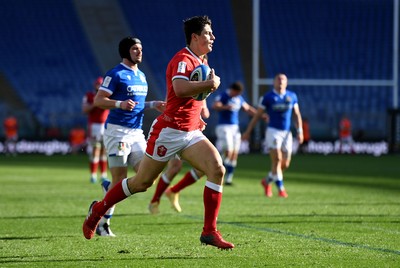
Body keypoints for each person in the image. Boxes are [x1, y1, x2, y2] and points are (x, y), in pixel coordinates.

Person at [82, 15, 234, 249]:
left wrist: (199, 112)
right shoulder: (183, 59)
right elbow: (180, 88)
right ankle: (98, 212)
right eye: (208, 33)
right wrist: (209, 85)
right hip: (169, 132)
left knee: (217, 169)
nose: (213, 37)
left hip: (191, 132)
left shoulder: (202, 61)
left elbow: (193, 98)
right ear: (195, 37)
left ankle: (209, 232)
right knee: (142, 182)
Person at [89, 36, 166, 237]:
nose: (139, 52)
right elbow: (99, 100)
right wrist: (118, 104)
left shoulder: (141, 75)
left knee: (147, 178)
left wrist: (152, 105)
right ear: (126, 51)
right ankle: (103, 223)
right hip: (117, 133)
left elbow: (136, 103)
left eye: (140, 48)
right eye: (135, 49)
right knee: (120, 179)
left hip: (136, 133)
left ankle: (109, 189)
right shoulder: (116, 74)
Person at [242, 73, 303, 198]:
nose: (280, 82)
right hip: (273, 132)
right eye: (278, 79)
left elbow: (297, 115)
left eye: (283, 80)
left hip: (286, 133)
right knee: (277, 159)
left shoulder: (292, 96)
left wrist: (300, 131)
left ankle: (267, 181)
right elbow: (257, 116)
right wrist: (248, 131)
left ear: (286, 82)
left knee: (285, 164)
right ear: (274, 82)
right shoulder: (267, 97)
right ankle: (281, 189)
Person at [148, 101, 209, 214]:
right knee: (173, 168)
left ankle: (174, 190)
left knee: (206, 167)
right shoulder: (178, 85)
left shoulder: (200, 86)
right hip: (175, 129)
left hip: (192, 130)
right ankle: (155, 201)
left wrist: (202, 106)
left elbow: (201, 100)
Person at [212, 81, 257, 185]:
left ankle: (228, 179)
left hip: (235, 128)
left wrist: (260, 115)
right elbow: (215, 106)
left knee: (234, 154)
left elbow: (247, 108)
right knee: (229, 151)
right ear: (233, 90)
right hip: (224, 126)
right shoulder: (224, 96)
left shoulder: (238, 99)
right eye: (237, 93)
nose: (238, 95)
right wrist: (225, 107)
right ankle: (217, 166)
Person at [82, 76, 109, 183]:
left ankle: (103, 174)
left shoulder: (107, 95)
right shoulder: (89, 95)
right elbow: (84, 109)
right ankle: (93, 174)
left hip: (106, 125)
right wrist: (96, 102)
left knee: (104, 151)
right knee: (95, 150)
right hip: (94, 126)